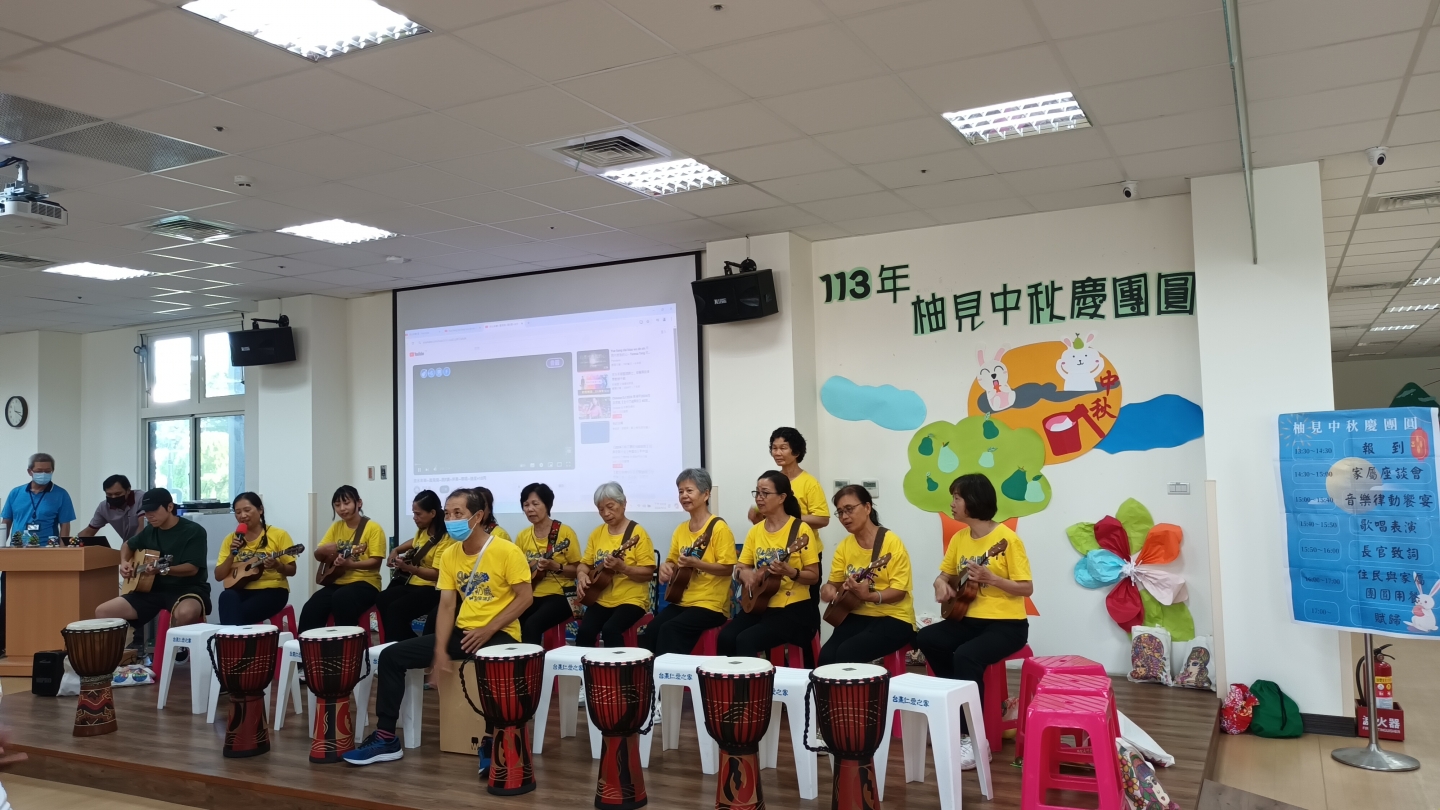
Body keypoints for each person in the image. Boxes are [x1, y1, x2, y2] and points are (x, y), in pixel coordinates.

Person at [343, 487, 532, 774]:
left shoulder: (506, 550)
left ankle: (491, 741)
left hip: (501, 633)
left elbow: (525, 597)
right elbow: (446, 606)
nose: (451, 519)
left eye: (458, 513)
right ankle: (386, 737)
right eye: (447, 514)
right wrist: (440, 650)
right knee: (392, 657)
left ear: (478, 516)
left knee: (492, 669)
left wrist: (488, 629)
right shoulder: (450, 554)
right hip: (463, 632)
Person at [915, 473, 1033, 771]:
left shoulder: (1007, 540)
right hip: (966, 619)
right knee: (927, 638)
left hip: (1007, 625)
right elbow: (945, 575)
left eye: (957, 498)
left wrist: (993, 579)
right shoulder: (959, 538)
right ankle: (958, 700)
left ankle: (973, 739)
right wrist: (940, 584)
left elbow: (1026, 588)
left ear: (974, 501)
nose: (952, 503)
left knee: (967, 655)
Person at [718, 471, 820, 659]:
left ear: (782, 498)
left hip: (793, 609)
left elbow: (814, 576)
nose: (759, 498)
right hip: (760, 604)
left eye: (765, 493)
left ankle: (754, 679)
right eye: (757, 493)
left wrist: (791, 572)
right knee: (726, 637)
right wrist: (743, 574)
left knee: (746, 640)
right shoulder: (755, 531)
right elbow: (740, 567)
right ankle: (729, 679)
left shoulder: (800, 529)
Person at [818, 485, 915, 666]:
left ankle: (864, 687)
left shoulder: (891, 543)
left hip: (894, 618)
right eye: (840, 512)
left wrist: (869, 596)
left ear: (867, 507)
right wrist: (828, 591)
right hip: (856, 614)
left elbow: (899, 592)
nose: (844, 517)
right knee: (826, 657)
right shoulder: (844, 546)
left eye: (849, 509)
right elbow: (833, 583)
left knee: (847, 653)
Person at [641, 469, 735, 656]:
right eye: (680, 491)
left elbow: (727, 568)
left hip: (711, 605)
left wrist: (697, 564)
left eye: (689, 491)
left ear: (706, 494)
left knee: (670, 629)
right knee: (652, 629)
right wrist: (666, 568)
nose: (684, 496)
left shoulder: (719, 528)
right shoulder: (681, 529)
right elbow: (672, 561)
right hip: (683, 601)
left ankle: (671, 674)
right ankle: (651, 674)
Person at [95, 488, 210, 630]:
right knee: (103, 611)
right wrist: (124, 562)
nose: (149, 516)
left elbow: (192, 569)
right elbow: (127, 545)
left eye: (154, 510)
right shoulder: (150, 530)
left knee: (186, 613)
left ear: (170, 507)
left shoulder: (193, 531)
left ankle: (178, 645)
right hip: (152, 590)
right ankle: (126, 644)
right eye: (146, 511)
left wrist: (163, 570)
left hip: (188, 589)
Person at [575, 482, 655, 648]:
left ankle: (619, 665)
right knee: (585, 632)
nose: (606, 513)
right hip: (601, 598)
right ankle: (587, 665)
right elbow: (584, 564)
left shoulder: (637, 533)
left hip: (632, 600)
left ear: (623, 503)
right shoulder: (597, 533)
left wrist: (623, 568)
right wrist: (581, 575)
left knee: (611, 629)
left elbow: (648, 573)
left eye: (610, 507)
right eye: (601, 509)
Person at [299, 486, 386, 633]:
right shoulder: (336, 527)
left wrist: (350, 564)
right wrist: (321, 551)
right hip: (338, 581)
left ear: (359, 503)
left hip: (367, 583)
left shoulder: (373, 528)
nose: (342, 508)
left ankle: (347, 643)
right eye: (337, 505)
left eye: (346, 503)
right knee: (313, 605)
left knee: (342, 598)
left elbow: (376, 562)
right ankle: (307, 644)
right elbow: (318, 555)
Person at [375, 490, 453, 642]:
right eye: (413, 513)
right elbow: (414, 542)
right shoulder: (423, 531)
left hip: (432, 588)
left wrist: (411, 569)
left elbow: (437, 574)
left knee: (396, 609)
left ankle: (402, 643)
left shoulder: (446, 538)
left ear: (432, 513)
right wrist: (396, 550)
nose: (414, 518)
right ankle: (402, 641)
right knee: (382, 598)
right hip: (413, 582)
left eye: (418, 514)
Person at [513, 483, 581, 646]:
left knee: (532, 624)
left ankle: (532, 662)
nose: (530, 509)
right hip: (531, 593)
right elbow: (517, 569)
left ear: (547, 505)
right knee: (511, 620)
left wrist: (556, 567)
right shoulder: (523, 536)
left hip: (561, 595)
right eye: (526, 505)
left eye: (535, 504)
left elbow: (578, 570)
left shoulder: (564, 533)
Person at [214, 492, 296, 626]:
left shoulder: (279, 535)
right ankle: (233, 636)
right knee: (226, 597)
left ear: (260, 510)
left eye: (247, 510)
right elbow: (219, 576)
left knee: (238, 613)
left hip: (272, 590)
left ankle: (228, 637)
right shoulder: (231, 539)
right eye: (238, 512)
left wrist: (277, 565)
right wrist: (231, 555)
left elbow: (292, 570)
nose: (242, 515)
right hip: (241, 589)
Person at [747, 428, 830, 531]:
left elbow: (823, 519)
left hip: (804, 539)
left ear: (796, 452)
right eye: (774, 448)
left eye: (783, 448)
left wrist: (786, 518)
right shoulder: (772, 481)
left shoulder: (810, 483)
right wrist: (758, 518)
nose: (777, 453)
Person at [0, 453, 75, 542]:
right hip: (18, 547)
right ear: (30, 472)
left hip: (48, 547)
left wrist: (63, 549)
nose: (43, 474)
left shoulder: (61, 494)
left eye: (47, 471)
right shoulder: (15, 493)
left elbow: (65, 525)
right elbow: (6, 522)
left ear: (52, 471)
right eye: (39, 471)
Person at [76, 474, 144, 546]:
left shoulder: (141, 498)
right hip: (129, 546)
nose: (113, 497)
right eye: (109, 494)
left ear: (128, 490)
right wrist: (73, 543)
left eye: (118, 494)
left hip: (145, 545)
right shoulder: (104, 507)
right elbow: (88, 532)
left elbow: (143, 526)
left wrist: (131, 546)